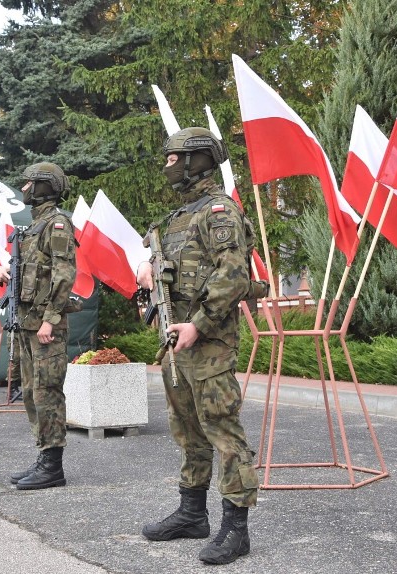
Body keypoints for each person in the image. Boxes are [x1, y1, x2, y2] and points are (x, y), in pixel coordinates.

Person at [135, 128, 260, 565]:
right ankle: (192, 514)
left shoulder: (219, 212)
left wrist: (200, 324)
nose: (167, 165)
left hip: (208, 342)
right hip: (176, 341)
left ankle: (236, 528)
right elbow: (168, 275)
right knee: (187, 430)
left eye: (173, 158)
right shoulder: (176, 218)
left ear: (197, 160)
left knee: (223, 431)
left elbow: (235, 277)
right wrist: (146, 286)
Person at [0, 162, 76, 490]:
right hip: (28, 322)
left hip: (45, 325)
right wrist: (7, 273)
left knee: (47, 392)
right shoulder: (34, 226)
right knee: (30, 392)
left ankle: (53, 466)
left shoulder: (56, 224)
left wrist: (50, 319)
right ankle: (43, 455)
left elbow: (64, 274)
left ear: (44, 186)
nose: (24, 187)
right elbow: (34, 271)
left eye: (29, 182)